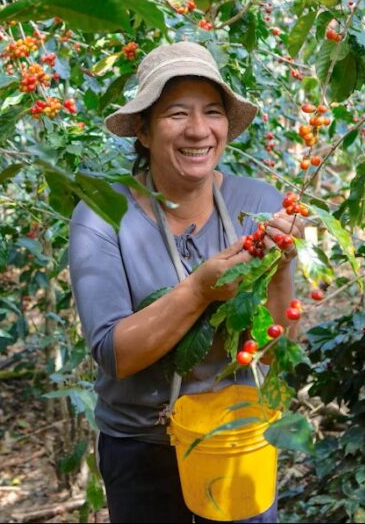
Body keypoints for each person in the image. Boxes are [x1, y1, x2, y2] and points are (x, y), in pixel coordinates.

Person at [69, 41, 304, 523]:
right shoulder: (102, 217)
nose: (199, 130)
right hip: (144, 450)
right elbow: (116, 354)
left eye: (212, 113)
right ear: (143, 129)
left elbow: (275, 350)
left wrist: (280, 270)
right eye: (177, 113)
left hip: (237, 442)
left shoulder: (259, 205)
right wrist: (199, 291)